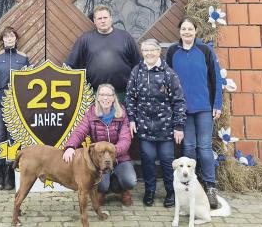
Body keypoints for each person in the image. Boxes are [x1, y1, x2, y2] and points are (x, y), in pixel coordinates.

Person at [165, 17, 223, 209]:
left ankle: (210, 187)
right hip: (183, 109)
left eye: (190, 29)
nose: (187, 32)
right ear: (179, 31)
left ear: (196, 31)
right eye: (184, 29)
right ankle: (190, 185)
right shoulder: (173, 51)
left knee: (204, 147)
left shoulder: (205, 50)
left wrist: (217, 104)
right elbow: (167, 79)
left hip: (204, 108)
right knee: (188, 148)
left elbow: (215, 78)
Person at [125, 38, 186, 208]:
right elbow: (130, 97)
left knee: (167, 161)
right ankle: (149, 191)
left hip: (165, 129)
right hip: (144, 128)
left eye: (152, 50)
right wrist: (131, 119)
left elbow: (179, 101)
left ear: (159, 51)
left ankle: (171, 192)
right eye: (145, 50)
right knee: (148, 160)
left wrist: (178, 126)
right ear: (142, 52)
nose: (149, 53)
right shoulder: (137, 72)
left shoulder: (169, 74)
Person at [63, 83, 136, 206]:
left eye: (108, 95)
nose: (105, 98)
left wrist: (111, 153)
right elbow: (80, 131)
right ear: (97, 97)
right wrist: (70, 147)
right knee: (101, 184)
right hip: (99, 159)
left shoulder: (122, 114)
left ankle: (123, 189)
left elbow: (125, 139)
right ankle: (103, 189)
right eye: (102, 95)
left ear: (114, 98)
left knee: (130, 180)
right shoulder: (91, 114)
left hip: (119, 157)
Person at [0, 26, 30, 190]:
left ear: (16, 39)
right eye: (6, 37)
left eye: (12, 36)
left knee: (14, 139)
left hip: (16, 106)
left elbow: (29, 82)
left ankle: (11, 174)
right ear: (2, 40)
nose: (9, 39)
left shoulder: (23, 58)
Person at [64, 5, 141, 101]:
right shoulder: (85, 39)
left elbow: (138, 65)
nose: (103, 21)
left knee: (121, 116)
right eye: (99, 18)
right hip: (95, 94)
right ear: (94, 21)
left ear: (111, 19)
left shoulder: (125, 37)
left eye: (105, 17)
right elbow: (70, 65)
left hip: (122, 94)